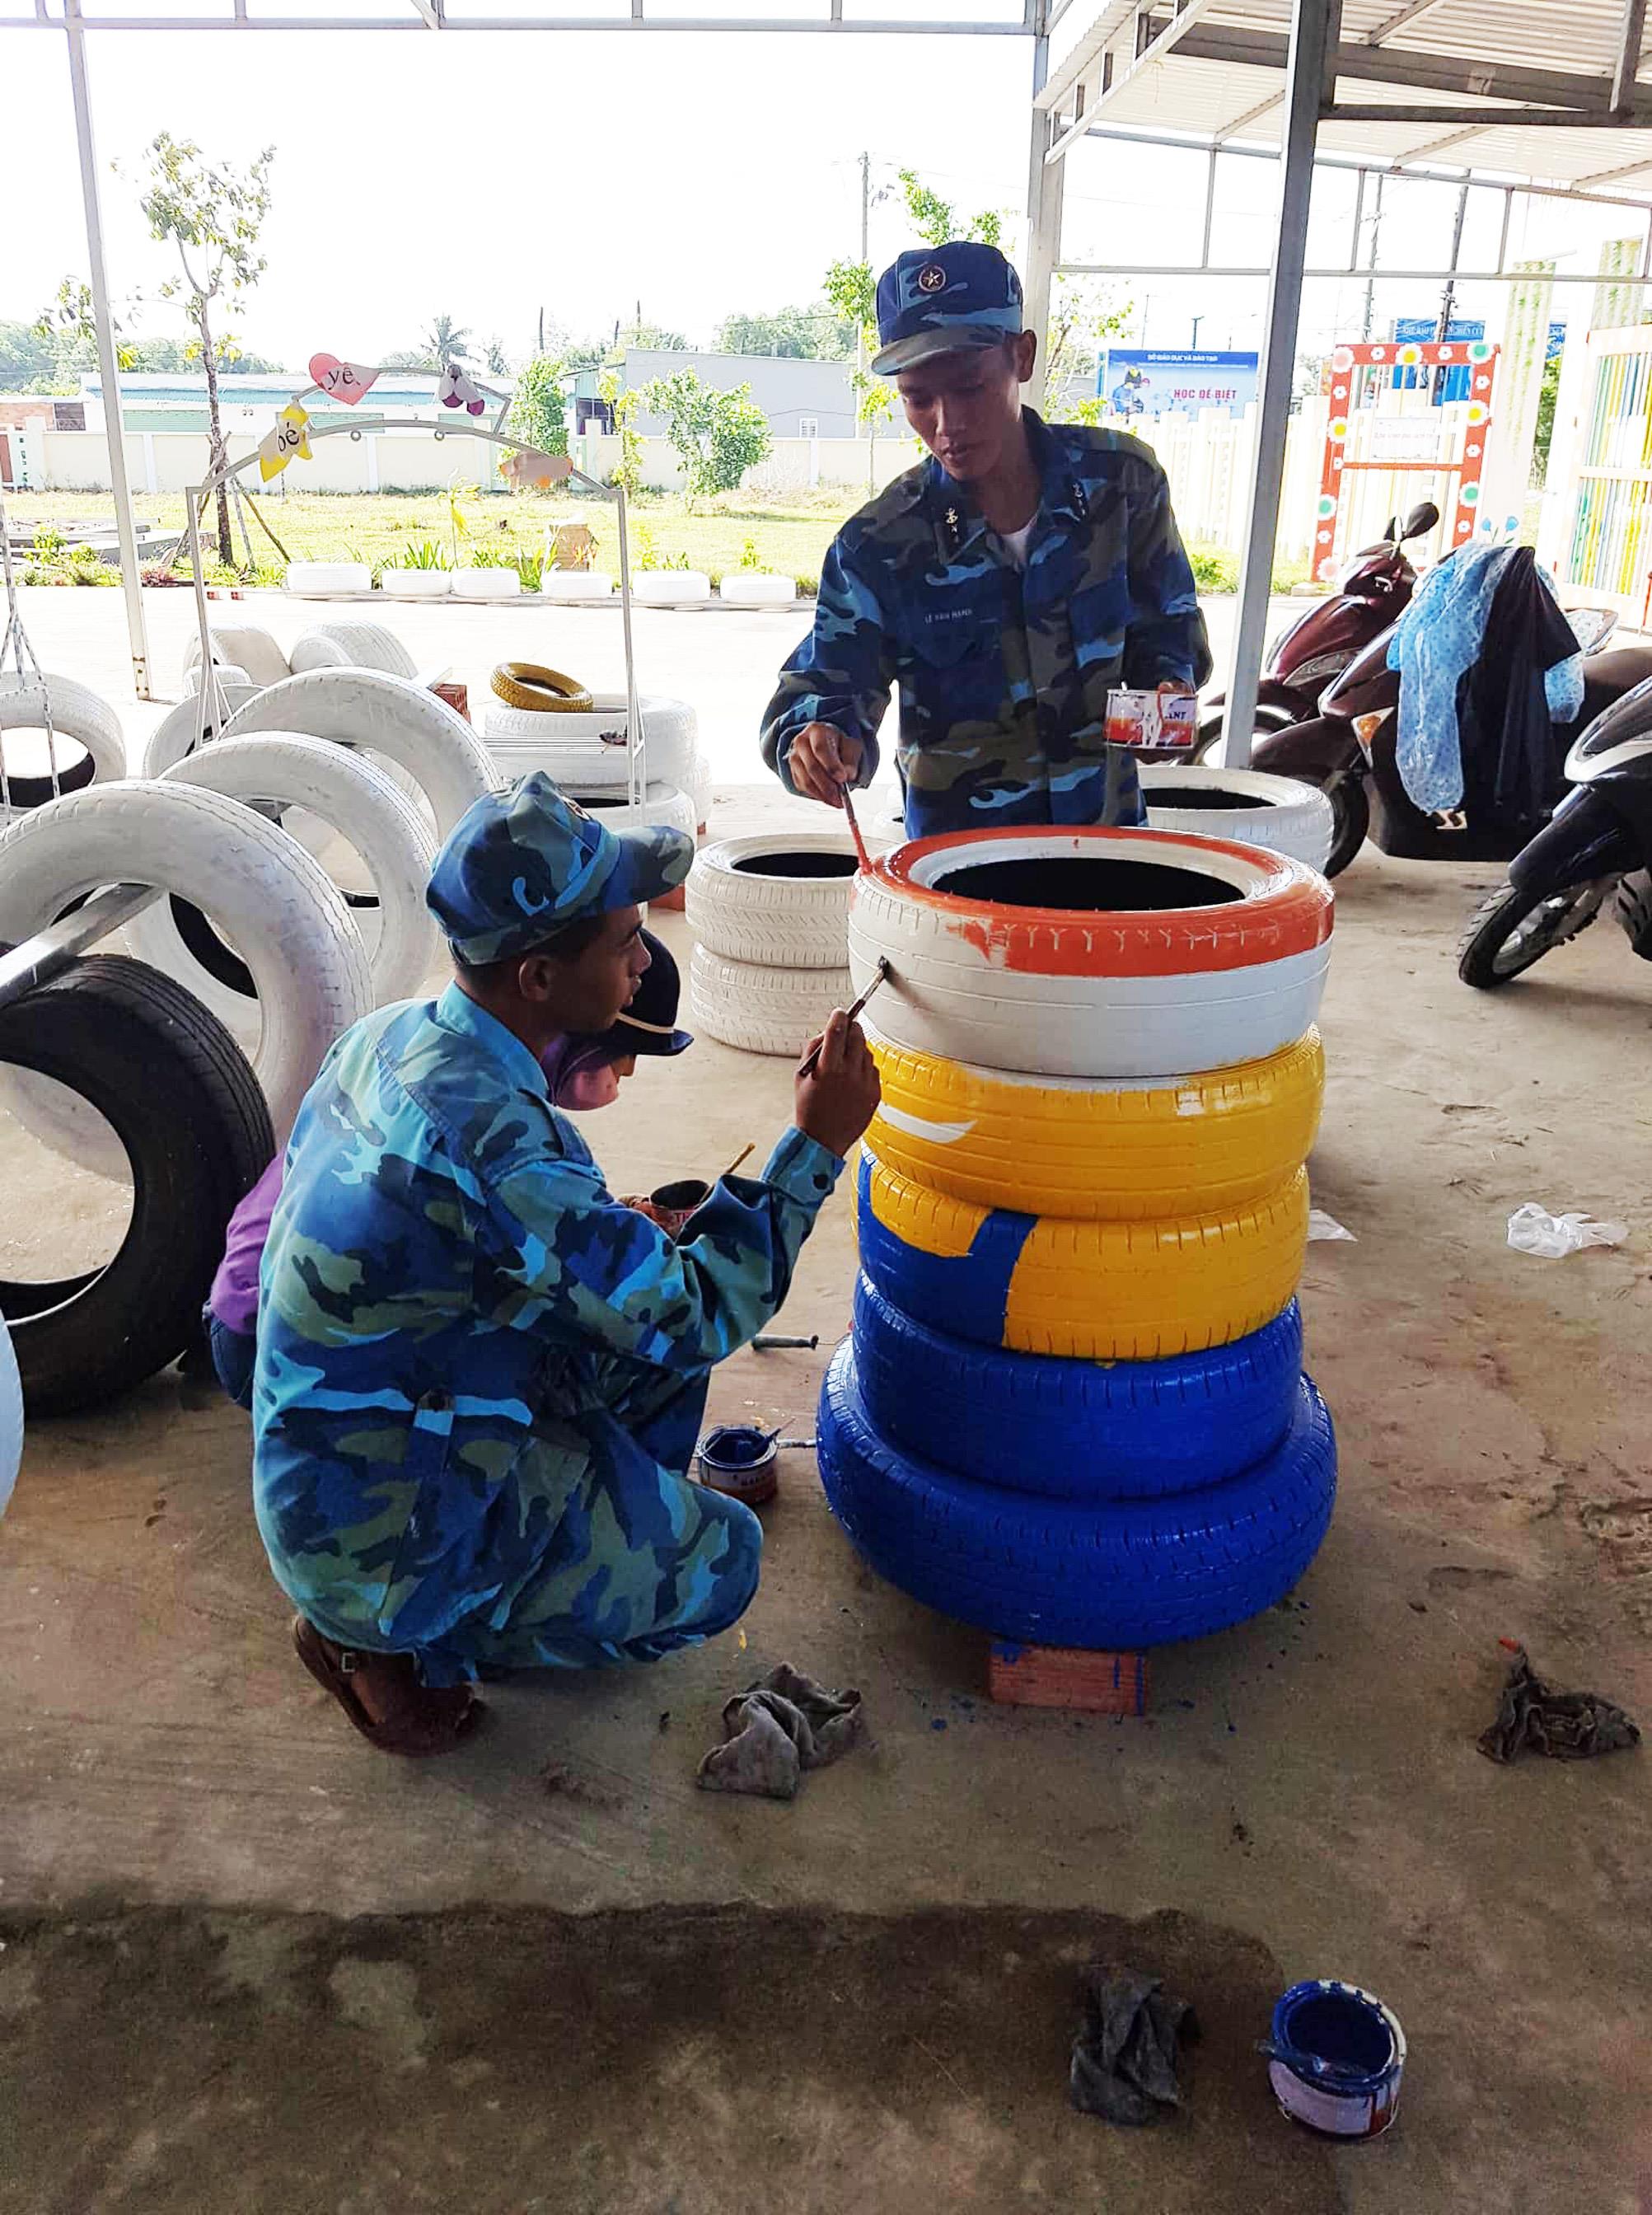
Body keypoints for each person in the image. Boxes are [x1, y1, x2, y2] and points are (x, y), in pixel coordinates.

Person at [252, 776, 880, 1757]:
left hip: (356, 1443)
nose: (643, 963)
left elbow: (495, 1250)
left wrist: (627, 1230)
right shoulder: (499, 1152)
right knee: (723, 1561)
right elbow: (701, 1311)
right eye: (626, 940)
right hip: (378, 1534)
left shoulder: (393, 1039)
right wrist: (814, 1151)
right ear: (538, 977)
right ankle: (399, 1639)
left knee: (652, 1317)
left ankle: (565, 1529)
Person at [760, 241, 1212, 838]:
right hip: (960, 877)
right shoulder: (880, 544)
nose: (947, 425)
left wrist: (1167, 693)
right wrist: (817, 738)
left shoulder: (1121, 485)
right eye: (918, 398)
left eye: (970, 387)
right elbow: (826, 686)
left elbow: (1168, 627)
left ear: (1021, 357)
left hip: (1107, 853)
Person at [204, 930, 694, 1412]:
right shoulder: (496, 1131)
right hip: (280, 1358)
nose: (626, 1072)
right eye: (622, 1054)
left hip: (240, 1312)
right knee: (631, 1335)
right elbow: (652, 1304)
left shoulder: (396, 1029)